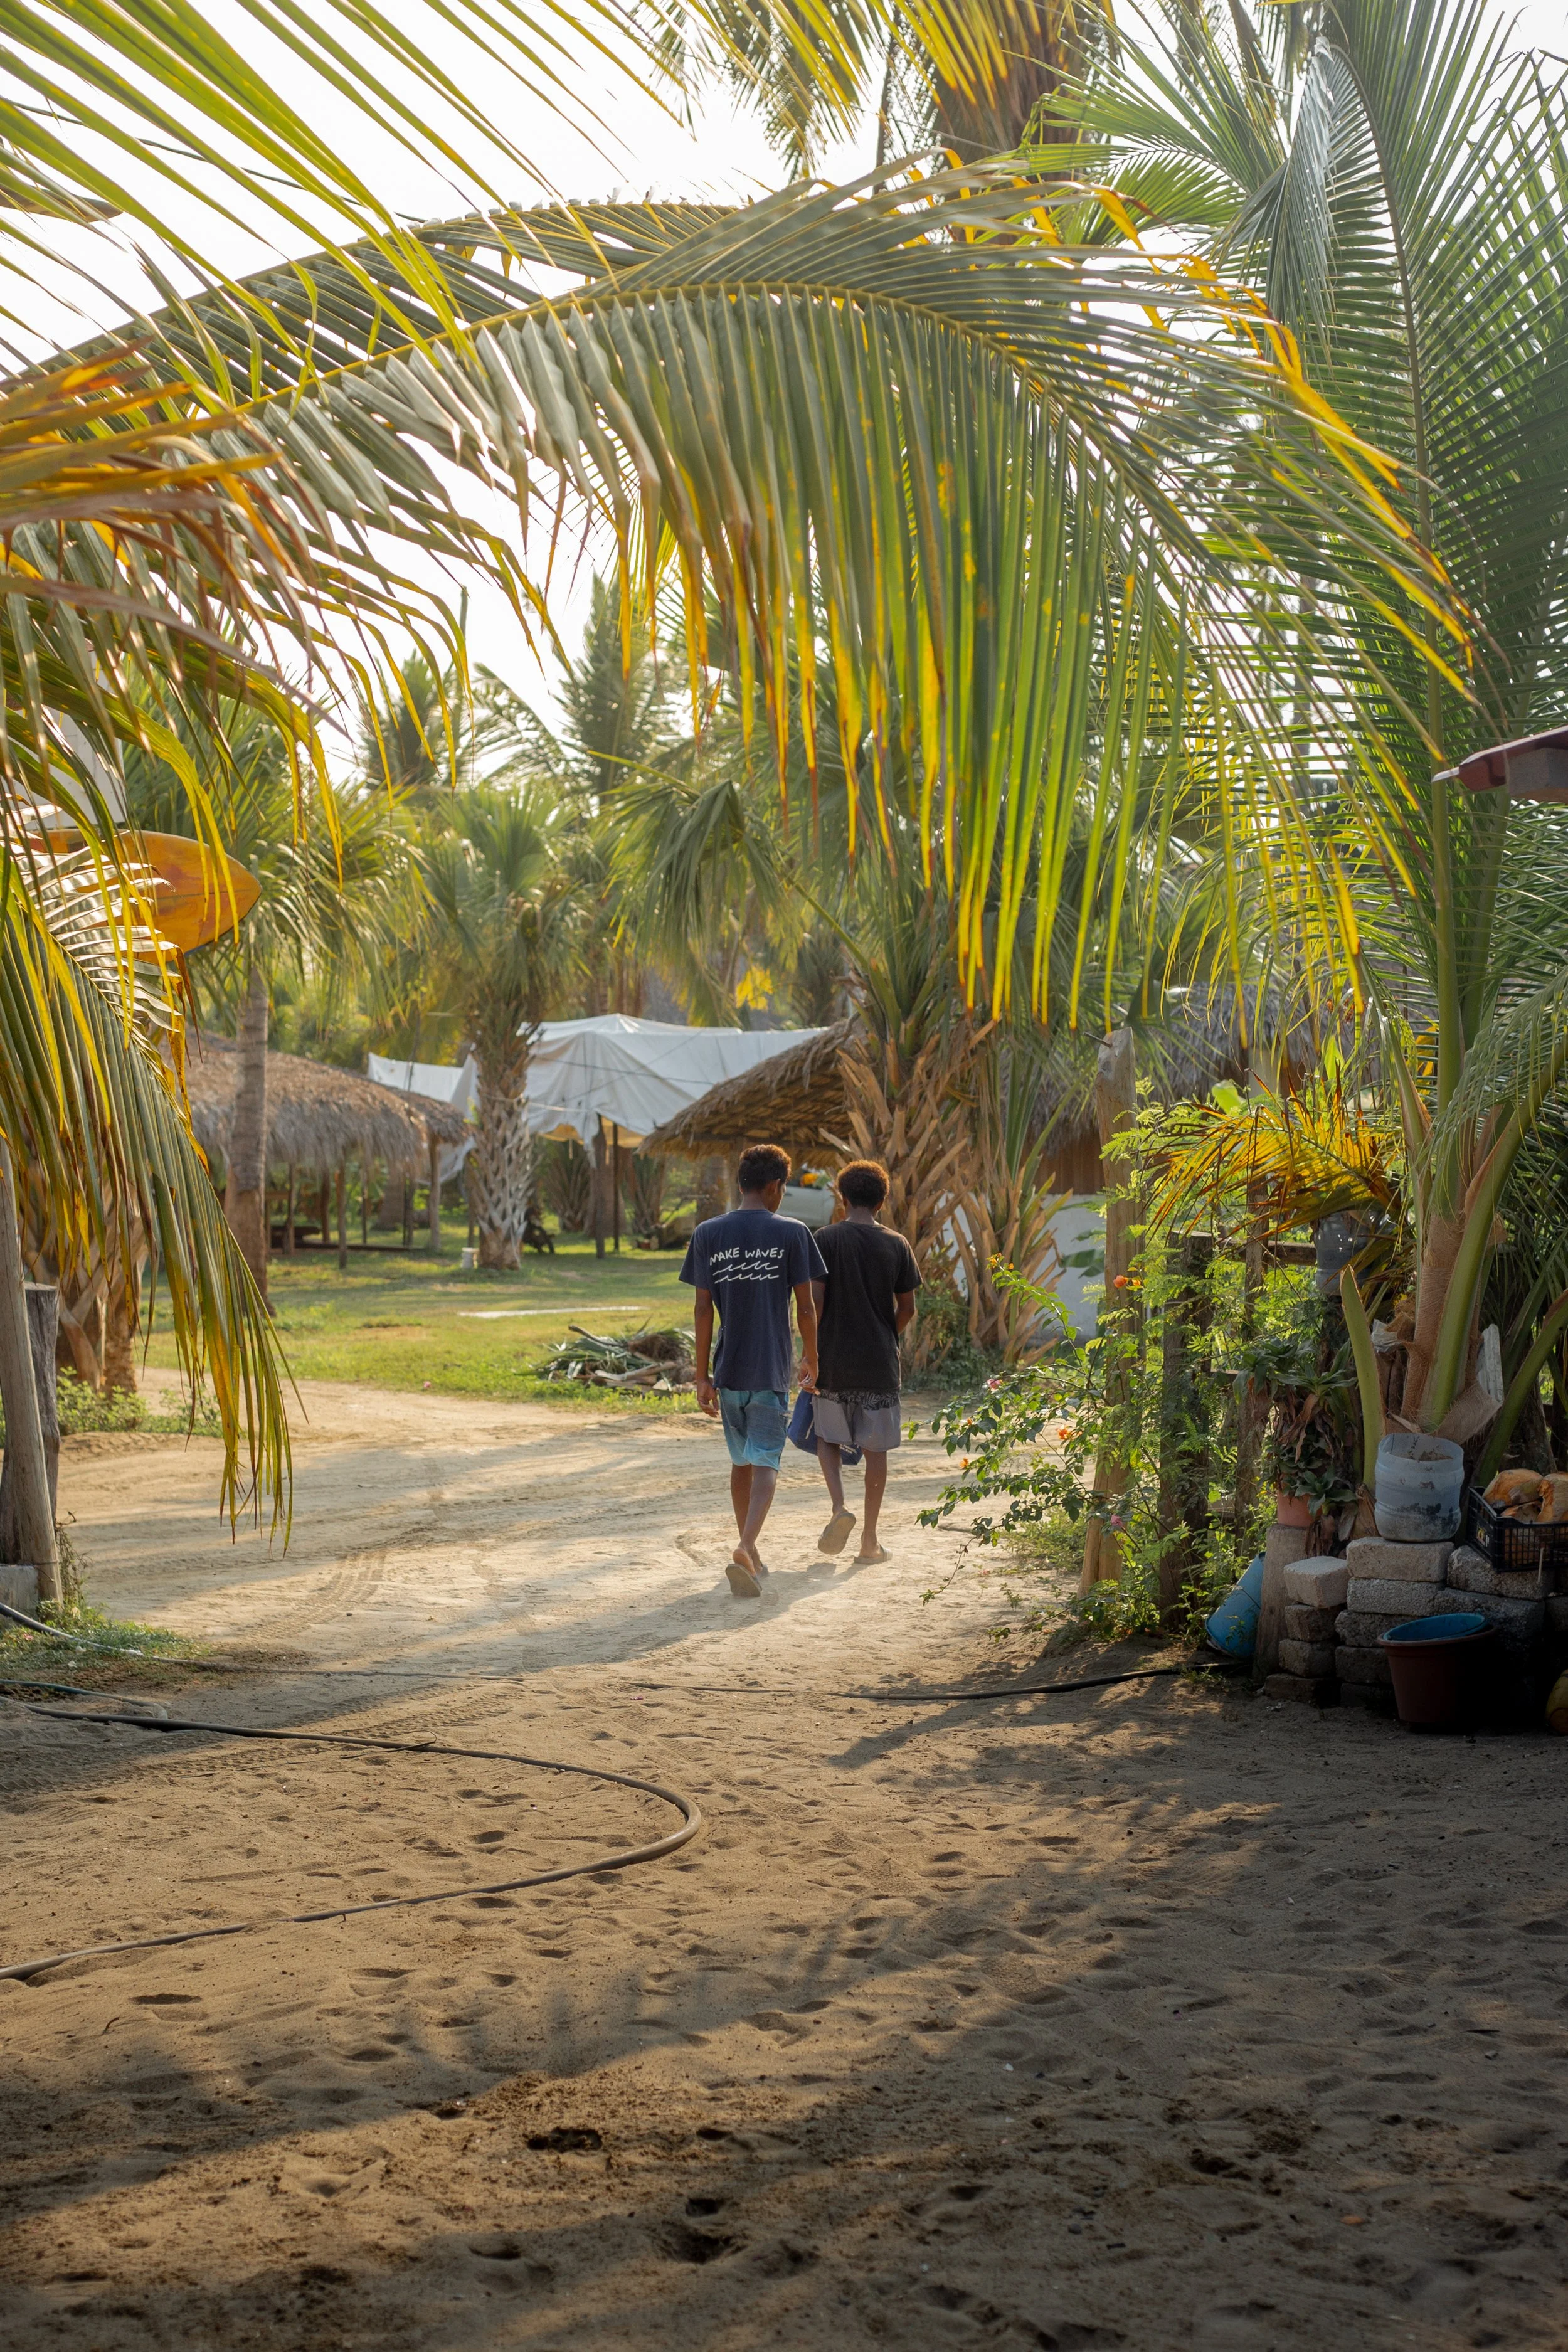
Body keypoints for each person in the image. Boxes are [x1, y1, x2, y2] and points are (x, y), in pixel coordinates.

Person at [681, 1142, 825, 1598]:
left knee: (742, 1461)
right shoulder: (793, 1233)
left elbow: (703, 1309)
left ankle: (754, 1556)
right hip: (768, 1370)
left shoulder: (709, 1233)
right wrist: (813, 1358)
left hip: (728, 1372)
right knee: (766, 1461)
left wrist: (701, 1374)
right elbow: (805, 1308)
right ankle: (745, 1547)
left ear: (741, 1184)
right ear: (775, 1187)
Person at [809, 1158, 920, 1564]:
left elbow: (814, 1301)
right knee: (877, 1454)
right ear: (882, 1200)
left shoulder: (825, 1239)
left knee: (826, 1436)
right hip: (879, 1362)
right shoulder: (897, 1243)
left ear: (843, 1197)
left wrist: (811, 1350)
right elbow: (907, 1307)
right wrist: (888, 1332)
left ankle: (840, 1507)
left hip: (833, 1359)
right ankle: (869, 1541)